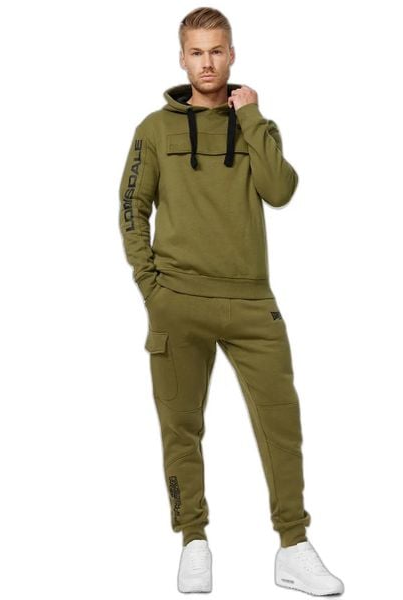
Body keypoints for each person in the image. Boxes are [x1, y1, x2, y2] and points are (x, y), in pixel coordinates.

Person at [118, 7, 344, 596]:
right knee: (180, 427)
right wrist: (151, 287)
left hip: (251, 302)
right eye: (197, 52)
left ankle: (293, 546)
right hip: (178, 301)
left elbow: (280, 190)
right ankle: (193, 540)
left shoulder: (255, 125)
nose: (207, 63)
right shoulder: (154, 129)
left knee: (281, 423)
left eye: (217, 51)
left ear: (232, 54)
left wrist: (253, 117)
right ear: (181, 58)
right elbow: (131, 207)